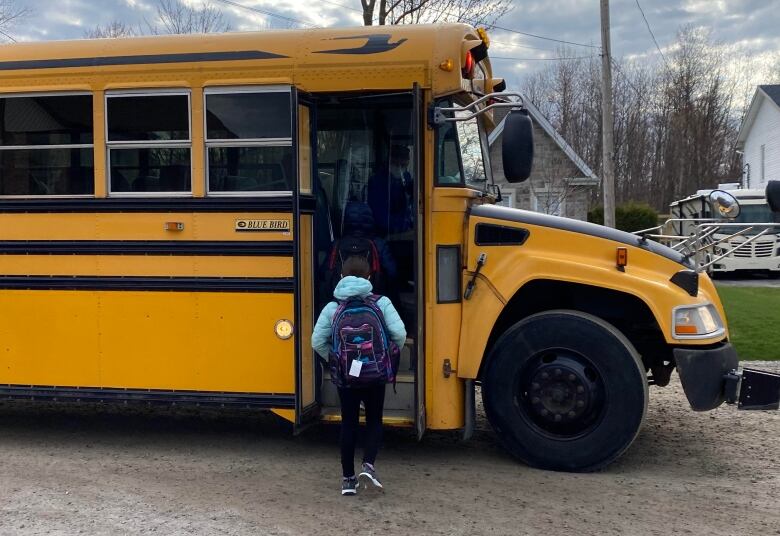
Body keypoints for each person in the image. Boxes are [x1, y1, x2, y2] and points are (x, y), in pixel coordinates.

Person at [311, 255, 407, 496]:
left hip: (347, 377)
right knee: (374, 420)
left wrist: (336, 361)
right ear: (370, 277)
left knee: (349, 423)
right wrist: (387, 355)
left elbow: (316, 341)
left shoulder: (333, 308)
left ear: (341, 277)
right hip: (375, 374)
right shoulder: (381, 303)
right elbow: (400, 334)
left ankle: (347, 480)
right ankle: (368, 465)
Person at [367, 145, 414, 237]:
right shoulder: (378, 181)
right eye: (396, 165)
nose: (400, 169)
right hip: (384, 234)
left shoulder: (406, 177)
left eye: (404, 166)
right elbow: (381, 218)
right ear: (389, 162)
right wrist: (404, 226)